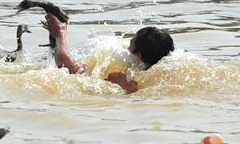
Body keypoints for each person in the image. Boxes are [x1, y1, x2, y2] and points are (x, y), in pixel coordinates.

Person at [44, 14, 175, 94]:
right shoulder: (167, 73)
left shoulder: (123, 73)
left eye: (131, 43)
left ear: (139, 56)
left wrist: (59, 34)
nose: (127, 47)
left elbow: (72, 70)